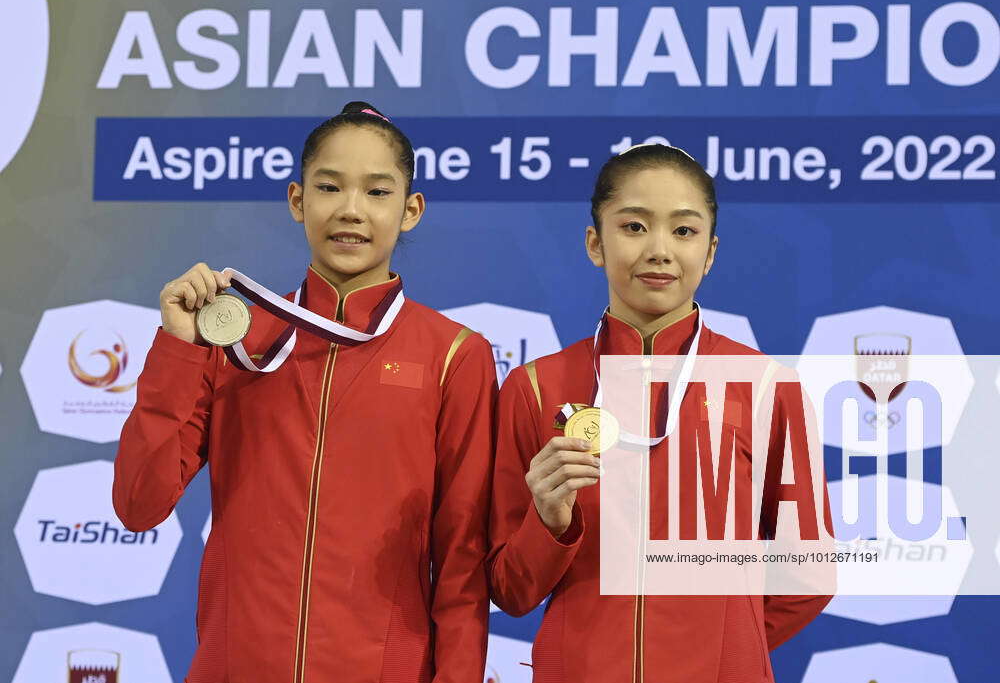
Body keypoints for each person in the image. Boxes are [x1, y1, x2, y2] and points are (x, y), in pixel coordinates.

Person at [114, 102, 496, 682]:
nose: (350, 209)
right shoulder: (236, 340)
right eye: (329, 187)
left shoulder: (454, 355)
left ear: (410, 210)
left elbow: (463, 557)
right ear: (297, 200)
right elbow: (139, 505)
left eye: (376, 192)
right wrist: (180, 348)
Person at [487, 144, 833, 682]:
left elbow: (808, 572)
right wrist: (549, 523)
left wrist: (723, 647)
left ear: (711, 252)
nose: (659, 250)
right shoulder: (534, 388)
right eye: (633, 226)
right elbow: (509, 589)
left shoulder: (767, 387)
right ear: (595, 243)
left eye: (684, 231)